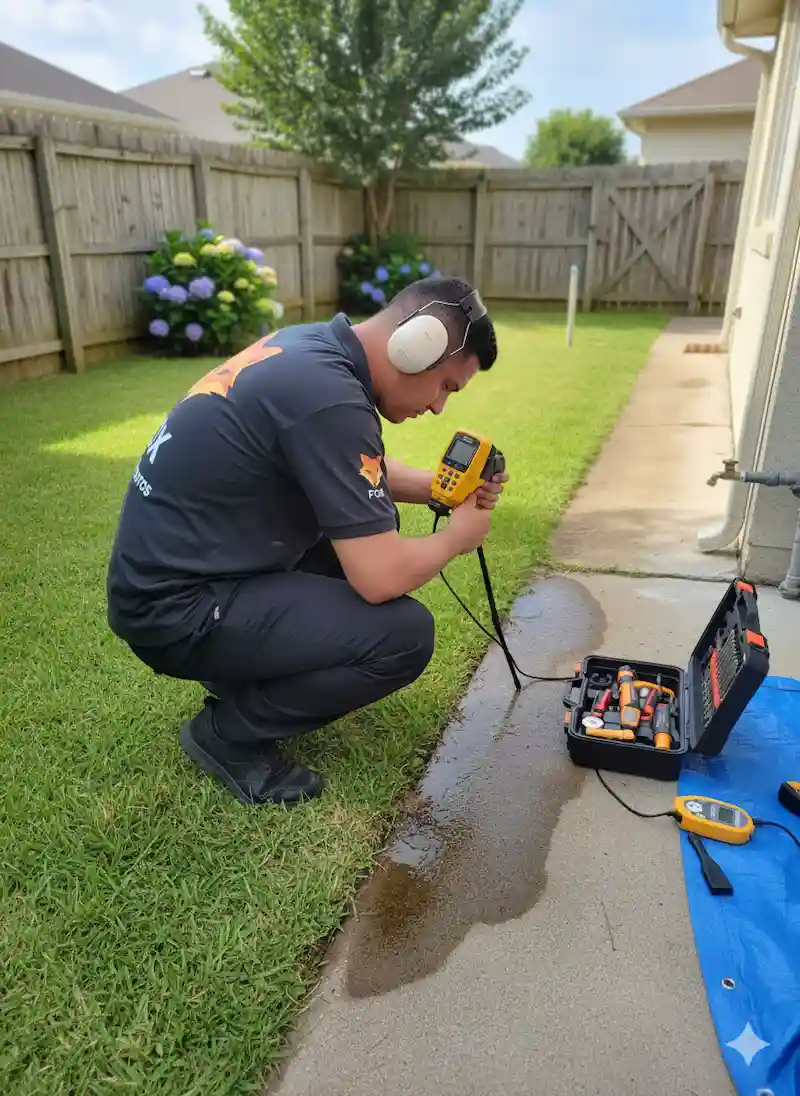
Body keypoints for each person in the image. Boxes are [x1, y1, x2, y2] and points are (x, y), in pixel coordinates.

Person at [106, 275, 507, 806]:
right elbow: (381, 576)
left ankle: (244, 676)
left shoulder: (310, 349)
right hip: (176, 609)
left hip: (172, 579)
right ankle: (228, 734)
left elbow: (351, 465)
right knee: (403, 634)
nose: (438, 406)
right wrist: (459, 536)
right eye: (447, 386)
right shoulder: (330, 398)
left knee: (354, 538)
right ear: (418, 348)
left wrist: (437, 489)